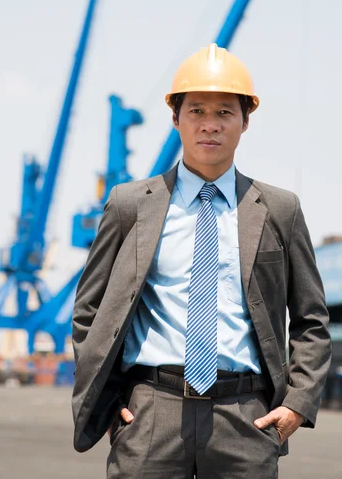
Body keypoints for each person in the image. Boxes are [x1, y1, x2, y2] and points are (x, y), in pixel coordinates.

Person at [72, 43, 331, 478]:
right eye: (197, 111)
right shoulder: (130, 205)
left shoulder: (279, 210)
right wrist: (110, 400)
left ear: (245, 121)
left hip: (245, 419)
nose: (209, 125)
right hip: (151, 412)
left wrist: (296, 405)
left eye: (224, 113)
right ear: (175, 118)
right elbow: (88, 312)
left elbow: (310, 320)